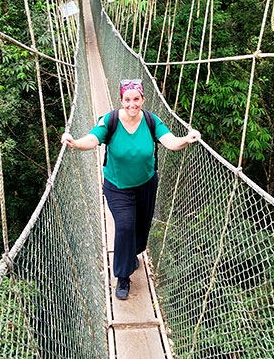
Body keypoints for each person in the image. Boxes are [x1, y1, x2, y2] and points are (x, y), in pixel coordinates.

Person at [61, 79, 201, 300]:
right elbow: (92, 138)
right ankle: (123, 276)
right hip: (117, 186)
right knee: (125, 226)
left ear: (143, 100)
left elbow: (171, 142)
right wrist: (75, 143)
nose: (132, 104)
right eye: (127, 99)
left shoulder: (151, 120)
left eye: (136, 99)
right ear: (121, 100)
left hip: (146, 183)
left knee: (141, 227)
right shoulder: (110, 121)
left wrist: (187, 139)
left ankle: (132, 254)